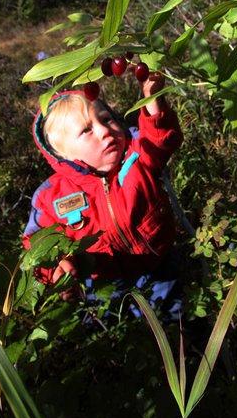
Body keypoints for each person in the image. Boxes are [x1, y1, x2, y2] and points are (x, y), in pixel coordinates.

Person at [22, 70, 184, 313]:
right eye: (86, 130)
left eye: (106, 119)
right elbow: (36, 241)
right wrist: (55, 267)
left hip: (157, 265)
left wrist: (152, 101)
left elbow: (161, 138)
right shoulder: (51, 196)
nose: (104, 131)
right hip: (101, 280)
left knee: (172, 317)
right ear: (63, 155)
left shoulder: (137, 156)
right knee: (110, 326)